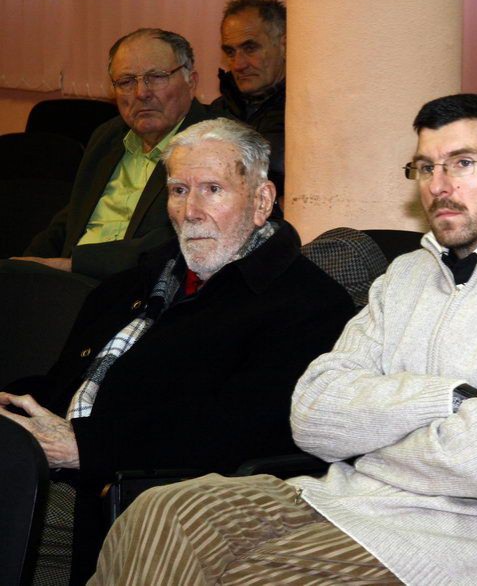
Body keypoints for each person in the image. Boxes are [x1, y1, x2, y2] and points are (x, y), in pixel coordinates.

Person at [87, 93, 477, 585]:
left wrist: (366, 440)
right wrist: (444, 399)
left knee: (242, 576)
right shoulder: (406, 275)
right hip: (339, 500)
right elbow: (312, 415)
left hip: (454, 539)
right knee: (157, 513)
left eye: (462, 163)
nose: (439, 185)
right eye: (426, 167)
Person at [0, 118, 356, 585]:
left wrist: (85, 447)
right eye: (179, 190)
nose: (190, 211)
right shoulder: (129, 285)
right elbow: (64, 383)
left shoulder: (308, 305)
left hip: (147, 498)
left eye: (212, 190)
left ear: (261, 201)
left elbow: (242, 431)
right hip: (57, 466)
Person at [15, 28, 212, 280]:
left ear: (191, 82)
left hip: (138, 286)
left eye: (156, 77)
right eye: (127, 81)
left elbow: (180, 241)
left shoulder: (215, 147)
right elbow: (71, 218)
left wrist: (74, 265)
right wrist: (25, 266)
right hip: (68, 282)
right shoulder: (107, 137)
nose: (141, 93)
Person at [209, 0, 287, 192]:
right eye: (230, 52)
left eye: (250, 48)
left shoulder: (305, 112)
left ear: (284, 45)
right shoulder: (215, 114)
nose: (238, 64)